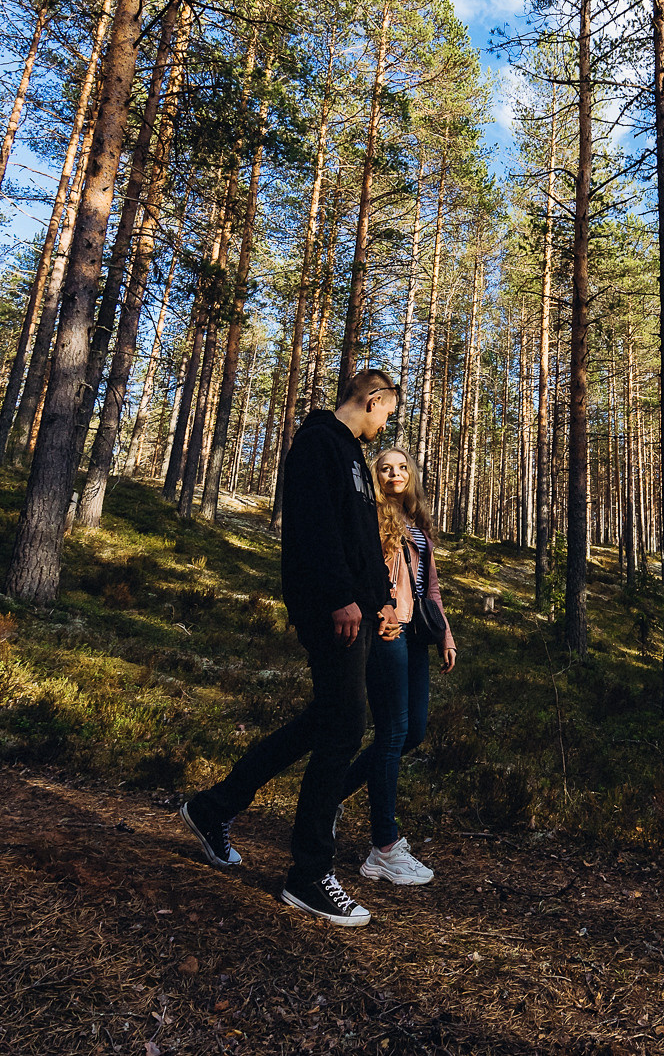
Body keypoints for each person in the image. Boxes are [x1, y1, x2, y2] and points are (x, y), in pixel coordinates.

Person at [178, 369, 400, 927]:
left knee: (324, 721)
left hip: (356, 610)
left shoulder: (351, 453)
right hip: (332, 610)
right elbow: (314, 528)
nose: (387, 423)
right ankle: (308, 875)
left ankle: (213, 808)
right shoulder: (318, 441)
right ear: (372, 399)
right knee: (345, 728)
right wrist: (340, 597)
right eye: (387, 412)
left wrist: (381, 601)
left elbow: (359, 539)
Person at [338, 446, 456, 886]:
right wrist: (379, 614)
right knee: (392, 732)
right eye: (385, 469)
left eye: (402, 467)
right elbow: (362, 574)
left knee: (414, 732)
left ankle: (329, 797)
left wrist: (445, 635)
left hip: (418, 633)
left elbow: (432, 587)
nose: (395, 474)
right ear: (376, 476)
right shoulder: (371, 515)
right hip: (388, 630)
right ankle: (384, 847)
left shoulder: (416, 521)